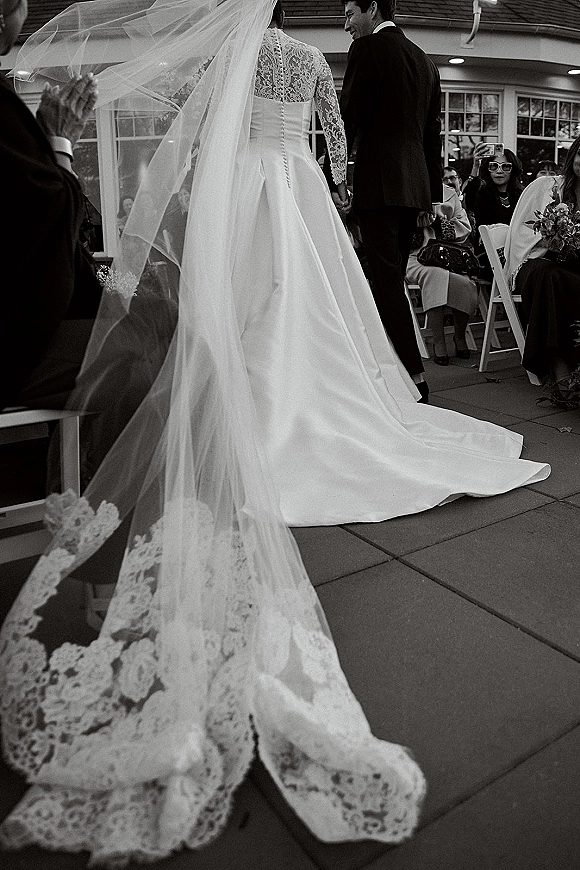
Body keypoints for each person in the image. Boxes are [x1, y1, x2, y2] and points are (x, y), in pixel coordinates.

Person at [0, 1, 549, 865]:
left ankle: (246, 409)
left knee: (240, 310)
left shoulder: (238, 54)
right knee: (315, 304)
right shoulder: (312, 58)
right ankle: (332, 400)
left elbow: (202, 133)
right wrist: (322, 170)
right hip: (295, 186)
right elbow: (332, 136)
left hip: (246, 182)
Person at [332, 0, 443, 402]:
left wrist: (334, 175)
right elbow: (433, 136)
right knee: (390, 281)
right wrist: (431, 195)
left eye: (349, 14)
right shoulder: (425, 62)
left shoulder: (367, 50)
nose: (346, 25)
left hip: (378, 183)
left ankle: (413, 377)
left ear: (373, 9)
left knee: (385, 282)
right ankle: (395, 368)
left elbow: (348, 117)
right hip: (412, 189)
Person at [0, 8, 101, 412]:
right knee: (173, 347)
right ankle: (84, 478)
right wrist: (60, 146)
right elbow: (46, 213)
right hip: (13, 348)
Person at [504, 136, 580, 405]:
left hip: (570, 267)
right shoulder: (547, 186)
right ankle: (559, 367)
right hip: (534, 264)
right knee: (550, 276)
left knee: (563, 279)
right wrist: (551, 236)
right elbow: (521, 231)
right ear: (573, 157)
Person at [406, 184, 478, 365]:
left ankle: (459, 336)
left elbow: (464, 227)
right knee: (436, 276)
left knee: (465, 282)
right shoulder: (403, 187)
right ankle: (439, 341)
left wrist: (438, 222)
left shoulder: (448, 193)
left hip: (445, 254)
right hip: (414, 256)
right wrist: (414, 220)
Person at [463, 143, 523, 279]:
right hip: (489, 258)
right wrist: (475, 166)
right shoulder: (481, 194)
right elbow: (469, 199)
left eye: (506, 166)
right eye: (494, 166)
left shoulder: (520, 196)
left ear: (512, 170)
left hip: (517, 254)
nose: (499, 171)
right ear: (488, 169)